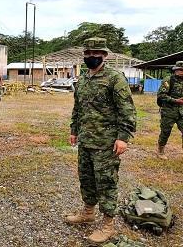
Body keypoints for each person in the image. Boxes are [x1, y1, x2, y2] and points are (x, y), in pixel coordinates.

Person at [66, 37, 136, 244]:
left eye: (96, 53)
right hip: (86, 140)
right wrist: (74, 130)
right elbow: (78, 108)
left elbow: (127, 110)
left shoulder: (115, 78)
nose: (91, 57)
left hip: (106, 143)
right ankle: (88, 212)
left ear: (104, 55)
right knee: (86, 179)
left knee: (106, 182)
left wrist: (123, 137)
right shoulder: (84, 78)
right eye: (87, 54)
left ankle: (108, 225)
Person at [156, 60, 183, 159]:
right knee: (165, 132)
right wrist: (176, 100)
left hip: (182, 112)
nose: (181, 72)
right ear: (175, 70)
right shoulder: (168, 80)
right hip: (169, 111)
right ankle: (160, 150)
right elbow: (161, 96)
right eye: (179, 69)